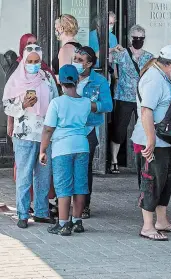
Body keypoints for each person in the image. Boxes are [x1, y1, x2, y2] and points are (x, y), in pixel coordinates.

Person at [131, 45, 171, 241]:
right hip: (152, 140)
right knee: (151, 181)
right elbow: (146, 111)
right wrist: (151, 141)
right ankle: (147, 226)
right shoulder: (154, 79)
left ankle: (161, 220)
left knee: (165, 181)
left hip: (163, 141)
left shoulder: (160, 76)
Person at [3, 44, 59, 228]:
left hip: (44, 134)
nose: (34, 65)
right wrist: (23, 105)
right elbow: (7, 106)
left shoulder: (47, 78)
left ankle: (42, 212)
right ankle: (22, 212)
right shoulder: (16, 79)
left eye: (37, 61)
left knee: (43, 176)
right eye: (30, 61)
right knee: (24, 175)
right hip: (24, 135)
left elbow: (56, 101)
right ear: (24, 61)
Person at [39, 64, 91, 236]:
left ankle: (63, 224)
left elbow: (48, 129)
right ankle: (77, 221)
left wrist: (43, 150)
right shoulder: (85, 102)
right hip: (82, 146)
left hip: (62, 148)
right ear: (77, 81)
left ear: (60, 82)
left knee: (63, 186)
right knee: (80, 185)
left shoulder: (57, 103)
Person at [72, 46, 113, 219]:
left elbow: (108, 105)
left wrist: (90, 105)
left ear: (89, 64)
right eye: (75, 59)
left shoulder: (99, 81)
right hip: (68, 129)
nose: (76, 63)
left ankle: (84, 205)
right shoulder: (68, 76)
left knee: (84, 168)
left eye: (80, 61)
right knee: (66, 167)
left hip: (88, 129)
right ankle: (65, 204)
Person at [108, 24, 153, 174]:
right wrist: (112, 49)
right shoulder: (122, 55)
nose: (138, 40)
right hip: (124, 96)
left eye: (141, 38)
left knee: (146, 128)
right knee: (119, 129)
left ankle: (146, 159)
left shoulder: (149, 57)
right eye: (136, 38)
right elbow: (105, 60)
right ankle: (114, 160)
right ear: (130, 38)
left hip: (143, 97)